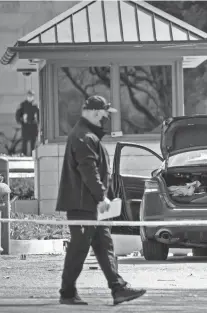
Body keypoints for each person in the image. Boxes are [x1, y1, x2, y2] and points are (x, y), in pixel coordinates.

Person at [55, 95, 146, 305]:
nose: (106, 118)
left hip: (92, 206)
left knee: (104, 246)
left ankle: (118, 289)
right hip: (84, 206)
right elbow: (89, 171)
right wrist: (101, 197)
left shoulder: (87, 135)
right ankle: (67, 293)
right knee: (79, 249)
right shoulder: (84, 137)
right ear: (96, 112)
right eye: (105, 114)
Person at [15, 90, 40, 156]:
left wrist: (39, 122)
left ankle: (33, 155)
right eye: (29, 96)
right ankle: (24, 155)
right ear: (27, 96)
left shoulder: (36, 105)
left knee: (33, 142)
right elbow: (18, 114)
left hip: (33, 126)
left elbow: (39, 115)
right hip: (25, 126)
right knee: (25, 142)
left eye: (31, 96)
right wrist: (20, 121)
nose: (30, 97)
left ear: (33, 97)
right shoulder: (23, 105)